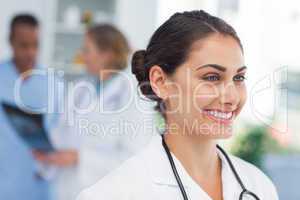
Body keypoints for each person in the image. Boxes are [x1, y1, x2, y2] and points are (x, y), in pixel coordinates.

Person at [77, 10, 279, 200]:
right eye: (212, 77)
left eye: (238, 77)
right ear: (160, 82)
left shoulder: (259, 186)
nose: (232, 97)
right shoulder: (112, 194)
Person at [40, 24, 154, 200]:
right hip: (68, 190)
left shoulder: (133, 94)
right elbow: (61, 132)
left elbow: (134, 159)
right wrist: (47, 151)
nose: (81, 56)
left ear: (105, 55)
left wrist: (80, 158)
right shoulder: (80, 89)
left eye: (86, 50)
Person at [0, 14, 58, 200]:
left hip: (40, 184)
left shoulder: (53, 83)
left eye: (35, 45)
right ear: (11, 41)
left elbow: (62, 134)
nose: (31, 52)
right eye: (24, 45)